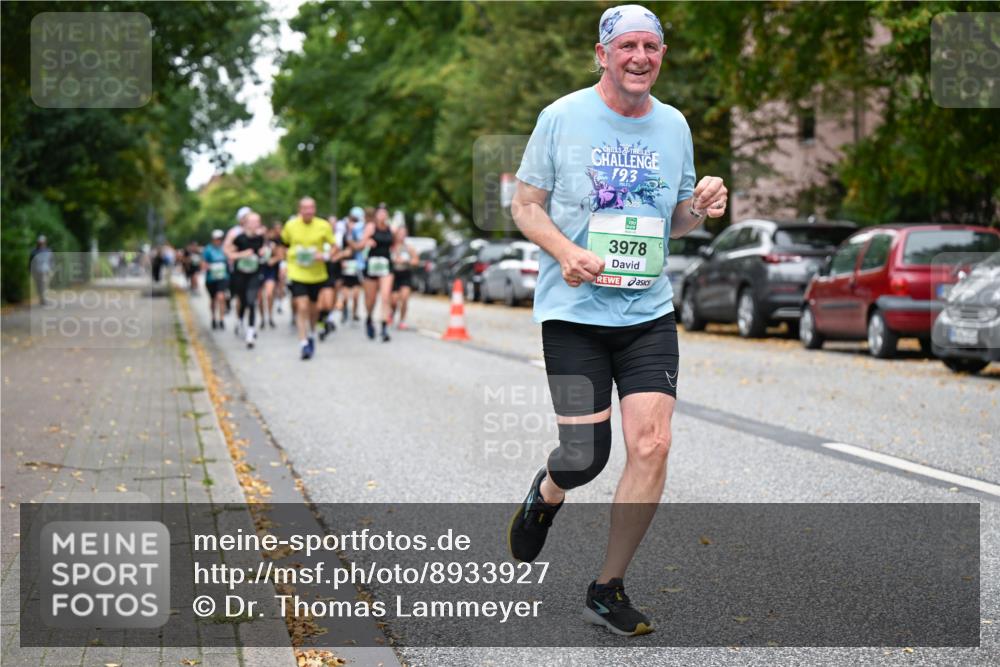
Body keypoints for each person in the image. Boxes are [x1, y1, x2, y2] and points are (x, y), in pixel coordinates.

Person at [506, 4, 727, 637]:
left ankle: (607, 587)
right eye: (626, 45)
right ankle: (548, 491)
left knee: (652, 444)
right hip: (574, 315)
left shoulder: (674, 125)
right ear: (602, 54)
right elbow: (525, 206)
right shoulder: (562, 117)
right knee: (584, 457)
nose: (639, 57)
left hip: (646, 312)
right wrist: (566, 251)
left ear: (661, 55)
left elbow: (672, 223)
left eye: (651, 47)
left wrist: (700, 207)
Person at [280, 197, 336, 360]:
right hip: (297, 271)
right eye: (305, 208)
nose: (308, 211)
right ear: (300, 209)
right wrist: (283, 265)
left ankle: (311, 332)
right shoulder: (290, 225)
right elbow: (283, 245)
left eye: (311, 208)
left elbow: (334, 246)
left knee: (313, 309)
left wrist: (324, 255)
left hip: (317, 274)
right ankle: (303, 342)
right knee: (302, 306)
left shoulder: (323, 225)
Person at [225, 211, 266, 349]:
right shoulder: (239, 238)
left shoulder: (260, 238)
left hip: (255, 274)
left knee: (251, 301)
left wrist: (263, 253)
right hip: (240, 274)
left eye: (257, 222)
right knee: (242, 301)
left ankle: (250, 333)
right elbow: (228, 253)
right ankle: (240, 320)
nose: (255, 225)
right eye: (252, 222)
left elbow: (263, 254)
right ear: (245, 223)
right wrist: (242, 254)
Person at [359, 203, 395, 342]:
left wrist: (398, 254)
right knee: (371, 299)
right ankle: (369, 318)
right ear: (376, 215)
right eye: (380, 213)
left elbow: (396, 244)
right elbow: (361, 245)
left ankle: (384, 328)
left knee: (385, 296)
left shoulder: (391, 229)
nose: (382, 215)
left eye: (384, 213)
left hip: (386, 265)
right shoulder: (370, 227)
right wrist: (367, 241)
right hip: (372, 265)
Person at [338, 207, 366, 323]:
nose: (353, 223)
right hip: (345, 267)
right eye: (352, 221)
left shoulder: (360, 233)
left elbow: (362, 249)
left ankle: (354, 313)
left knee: (355, 295)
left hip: (356, 267)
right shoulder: (341, 234)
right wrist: (341, 260)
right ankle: (344, 310)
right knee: (345, 295)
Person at [317, 215, 343, 341]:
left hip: (333, 272)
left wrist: (338, 256)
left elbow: (347, 250)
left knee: (328, 303)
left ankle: (328, 320)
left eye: (334, 223)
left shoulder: (339, 237)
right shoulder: (319, 236)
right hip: (317, 273)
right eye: (330, 223)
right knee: (318, 305)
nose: (332, 225)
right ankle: (321, 325)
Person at [389, 224, 419, 330]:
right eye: (400, 233)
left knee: (404, 298)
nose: (401, 235)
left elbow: (416, 261)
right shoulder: (391, 247)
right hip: (393, 275)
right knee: (394, 300)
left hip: (405, 274)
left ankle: (402, 321)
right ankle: (391, 313)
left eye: (404, 233)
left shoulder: (409, 248)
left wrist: (406, 260)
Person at [259, 222, 285, 329]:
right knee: (260, 297)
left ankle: (270, 317)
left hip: (270, 270)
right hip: (259, 270)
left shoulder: (274, 242)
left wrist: (273, 260)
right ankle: (262, 319)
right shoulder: (255, 242)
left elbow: (281, 255)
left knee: (269, 294)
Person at [203, 230, 230, 330]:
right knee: (213, 299)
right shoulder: (208, 250)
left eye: (219, 239)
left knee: (221, 296)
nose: (218, 241)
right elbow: (203, 263)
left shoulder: (225, 249)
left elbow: (230, 259)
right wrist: (210, 267)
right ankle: (213, 318)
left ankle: (221, 319)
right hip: (211, 278)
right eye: (216, 239)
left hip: (223, 277)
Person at [29, 235, 53, 304]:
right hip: (37, 271)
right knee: (38, 285)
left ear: (45, 242)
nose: (41, 244)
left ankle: (43, 299)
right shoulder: (34, 252)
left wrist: (51, 269)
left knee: (44, 285)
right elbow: (31, 262)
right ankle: (41, 298)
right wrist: (30, 270)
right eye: (40, 242)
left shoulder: (48, 251)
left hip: (46, 271)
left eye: (42, 242)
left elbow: (51, 261)